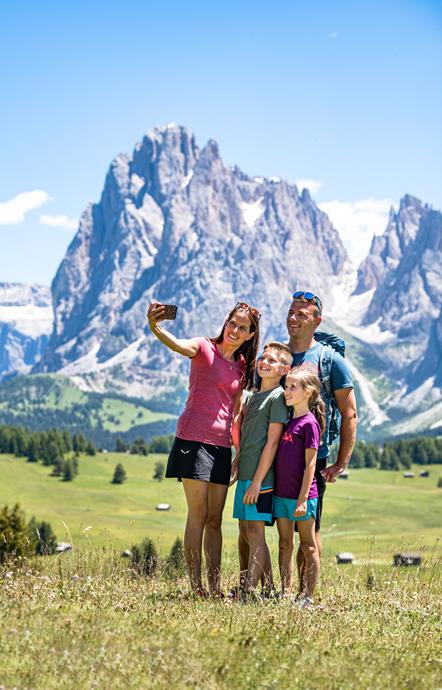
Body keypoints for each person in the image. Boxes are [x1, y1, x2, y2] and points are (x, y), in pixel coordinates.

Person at [147, 300, 260, 597]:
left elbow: (235, 413)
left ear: (250, 335)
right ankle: (197, 587)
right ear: (226, 322)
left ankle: (214, 586)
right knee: (198, 514)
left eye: (243, 328)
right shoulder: (203, 346)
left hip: (221, 447)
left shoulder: (242, 367)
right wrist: (155, 327)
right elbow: (179, 345)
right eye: (233, 323)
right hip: (193, 440)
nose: (235, 330)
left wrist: (236, 451)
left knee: (215, 519)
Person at [286, 290, 357, 590]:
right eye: (291, 311)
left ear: (317, 321)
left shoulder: (330, 360)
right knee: (272, 525)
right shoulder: (277, 354)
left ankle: (306, 593)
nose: (293, 318)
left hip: (312, 457)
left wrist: (341, 462)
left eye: (302, 314)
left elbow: (349, 412)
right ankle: (273, 588)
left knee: (308, 528)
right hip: (275, 453)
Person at [230, 341, 292, 598]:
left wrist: (257, 482)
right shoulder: (254, 396)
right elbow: (247, 436)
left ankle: (249, 590)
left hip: (261, 478)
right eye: (263, 358)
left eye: (272, 361)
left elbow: (272, 442)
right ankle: (267, 588)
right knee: (245, 531)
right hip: (246, 473)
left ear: (285, 369)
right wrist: (237, 459)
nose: (264, 363)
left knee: (255, 532)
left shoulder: (278, 397)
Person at [273, 367, 326, 606]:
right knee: (285, 544)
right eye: (286, 386)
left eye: (293, 387)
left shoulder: (309, 423)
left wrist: (303, 498)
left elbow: (311, 464)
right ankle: (285, 591)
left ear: (308, 392)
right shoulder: (287, 421)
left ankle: (307, 596)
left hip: (303, 496)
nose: (287, 391)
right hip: (282, 494)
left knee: (308, 545)